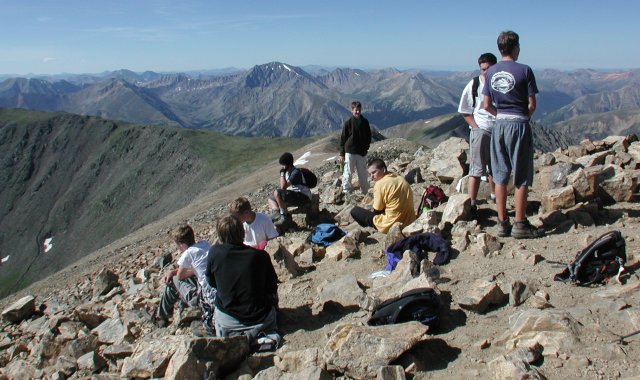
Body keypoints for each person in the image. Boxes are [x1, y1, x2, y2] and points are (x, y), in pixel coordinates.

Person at [482, 31, 545, 239]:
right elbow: (532, 104)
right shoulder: (524, 70)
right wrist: (523, 116)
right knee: (521, 176)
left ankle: (502, 223)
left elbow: (486, 104)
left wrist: (499, 114)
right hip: (518, 124)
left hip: (499, 124)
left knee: (499, 175)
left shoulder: (491, 72)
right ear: (515, 47)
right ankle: (520, 223)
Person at [206, 215, 280, 348]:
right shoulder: (260, 256)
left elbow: (211, 283)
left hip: (229, 321)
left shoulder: (214, 253)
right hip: (261, 318)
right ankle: (261, 336)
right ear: (242, 232)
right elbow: (272, 286)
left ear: (220, 235)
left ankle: (236, 339)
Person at [154, 225, 216, 333]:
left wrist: (172, 273)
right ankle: (167, 313)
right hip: (214, 284)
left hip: (205, 296)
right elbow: (196, 268)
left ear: (181, 243)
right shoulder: (204, 244)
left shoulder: (188, 254)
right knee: (181, 278)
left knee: (172, 281)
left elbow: (180, 276)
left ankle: (161, 316)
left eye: (177, 244)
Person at [458, 53, 498, 218]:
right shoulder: (474, 84)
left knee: (495, 167)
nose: (486, 72)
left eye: (489, 69)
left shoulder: (499, 84)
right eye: (483, 69)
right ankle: (472, 202)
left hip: (498, 130)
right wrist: (476, 128)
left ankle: (496, 198)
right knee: (476, 169)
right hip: (480, 130)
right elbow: (464, 110)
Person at [350, 158, 416, 233]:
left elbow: (377, 211)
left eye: (374, 172)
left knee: (355, 211)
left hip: (391, 225)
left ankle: (368, 230)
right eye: (370, 174)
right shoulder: (399, 178)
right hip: (410, 220)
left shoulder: (380, 184)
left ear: (384, 170)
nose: (371, 176)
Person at [267, 152, 312, 222]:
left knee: (277, 193)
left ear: (286, 165)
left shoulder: (296, 172)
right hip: (296, 195)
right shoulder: (289, 172)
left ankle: (284, 216)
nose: (282, 167)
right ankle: (276, 213)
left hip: (304, 197)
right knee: (271, 198)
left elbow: (283, 187)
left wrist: (282, 174)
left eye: (283, 165)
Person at [339, 101, 372, 195]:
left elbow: (369, 136)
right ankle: (346, 192)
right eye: (355, 110)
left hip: (362, 152)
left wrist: (366, 147)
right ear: (352, 110)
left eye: (359, 110)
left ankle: (365, 192)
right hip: (350, 151)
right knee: (348, 172)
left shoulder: (365, 122)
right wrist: (342, 153)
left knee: (362, 173)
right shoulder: (348, 123)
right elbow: (343, 138)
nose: (357, 112)